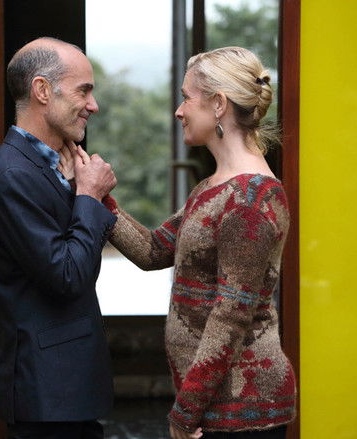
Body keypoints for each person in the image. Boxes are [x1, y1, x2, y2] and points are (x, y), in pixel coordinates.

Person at [63, 46, 296, 439]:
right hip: (217, 408)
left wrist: (185, 412)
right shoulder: (213, 188)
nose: (179, 110)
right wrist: (95, 195)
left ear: (218, 104)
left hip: (242, 413)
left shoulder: (251, 199)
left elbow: (231, 315)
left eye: (187, 97)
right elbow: (153, 251)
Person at [0, 37, 118, 439]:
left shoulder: (46, 166)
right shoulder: (13, 176)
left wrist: (77, 192)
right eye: (83, 91)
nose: (93, 105)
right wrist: (88, 196)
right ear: (41, 90)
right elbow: (67, 275)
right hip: (47, 397)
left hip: (62, 394)